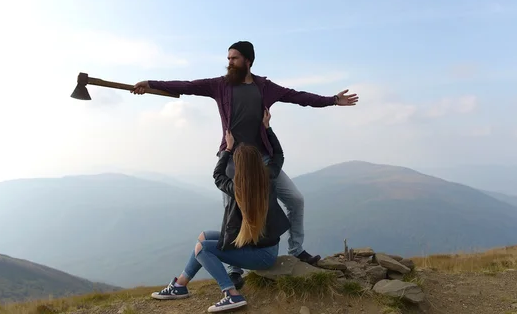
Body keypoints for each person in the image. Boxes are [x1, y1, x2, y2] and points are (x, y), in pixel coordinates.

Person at [132, 41, 358, 289]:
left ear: (248, 61)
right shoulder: (220, 85)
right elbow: (187, 86)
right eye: (228, 58)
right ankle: (234, 269)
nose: (229, 62)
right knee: (232, 212)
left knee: (296, 200)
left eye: (234, 58)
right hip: (232, 159)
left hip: (263, 160)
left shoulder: (265, 87)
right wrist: (151, 84)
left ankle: (296, 250)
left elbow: (298, 97)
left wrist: (333, 100)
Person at [150, 109, 290, 313]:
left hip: (261, 255)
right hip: (265, 246)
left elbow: (217, 175)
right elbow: (278, 154)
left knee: (203, 248)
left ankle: (231, 294)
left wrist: (228, 149)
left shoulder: (237, 189)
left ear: (240, 168)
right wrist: (267, 128)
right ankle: (180, 285)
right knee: (203, 236)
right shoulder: (268, 176)